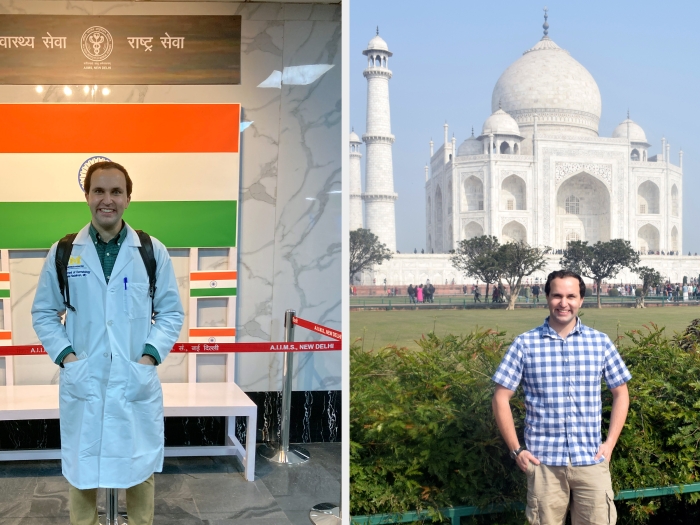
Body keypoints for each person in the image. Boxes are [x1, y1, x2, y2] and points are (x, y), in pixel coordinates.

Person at [31, 161, 184, 525]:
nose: (107, 200)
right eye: (99, 191)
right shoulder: (65, 251)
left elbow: (170, 313)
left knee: (139, 460)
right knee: (82, 465)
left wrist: (148, 358)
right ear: (86, 196)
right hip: (85, 376)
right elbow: (43, 312)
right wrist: (68, 358)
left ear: (128, 198)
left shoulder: (150, 250)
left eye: (116, 192)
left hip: (135, 376)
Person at [491, 270, 631, 525]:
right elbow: (501, 397)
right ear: (546, 297)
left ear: (581, 300)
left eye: (571, 296)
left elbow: (621, 393)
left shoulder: (599, 342)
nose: (563, 303)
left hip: (590, 459)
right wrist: (516, 449)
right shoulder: (526, 344)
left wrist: (609, 444)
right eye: (557, 295)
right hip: (545, 463)